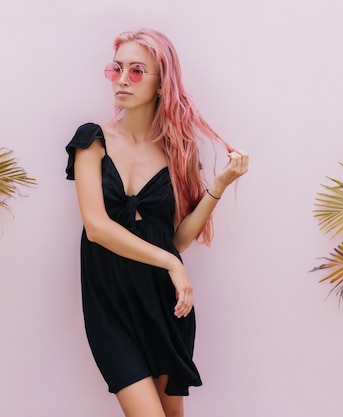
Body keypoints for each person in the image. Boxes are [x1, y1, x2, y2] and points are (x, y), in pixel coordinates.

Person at [65, 28, 249, 417]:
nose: (121, 80)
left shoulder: (177, 153)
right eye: (116, 69)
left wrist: (218, 185)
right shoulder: (91, 140)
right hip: (110, 304)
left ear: (162, 83)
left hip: (164, 304)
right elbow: (96, 227)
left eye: (136, 71)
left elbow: (177, 239)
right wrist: (171, 264)